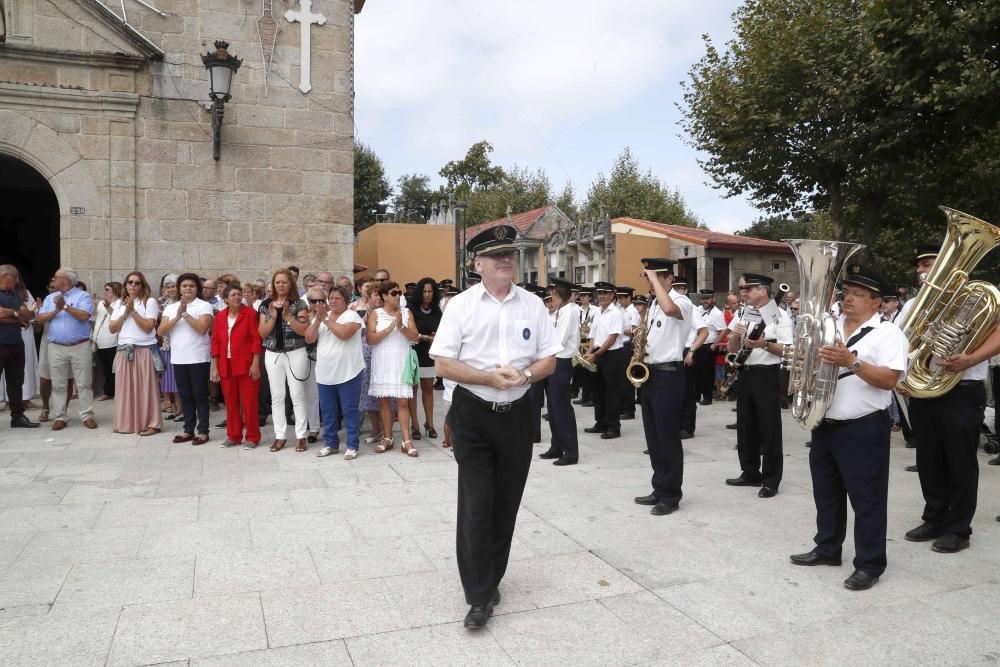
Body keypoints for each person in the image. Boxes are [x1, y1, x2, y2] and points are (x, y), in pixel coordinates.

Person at [430, 224, 559, 629]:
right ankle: (478, 595)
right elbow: (443, 363)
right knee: (476, 505)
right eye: (497, 255)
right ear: (478, 263)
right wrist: (488, 378)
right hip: (473, 413)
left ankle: (491, 577)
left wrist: (522, 378)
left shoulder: (533, 306)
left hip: (518, 413)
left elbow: (548, 360)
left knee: (506, 504)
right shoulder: (461, 306)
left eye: (511, 254)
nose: (507, 260)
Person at [790, 265, 908, 591]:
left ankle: (870, 564)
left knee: (867, 499)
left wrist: (851, 362)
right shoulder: (830, 325)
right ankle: (828, 548)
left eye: (858, 294)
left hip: (863, 427)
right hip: (825, 422)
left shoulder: (888, 334)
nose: (848, 299)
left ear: (877, 302)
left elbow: (889, 380)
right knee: (826, 493)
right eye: (847, 292)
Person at [904, 242, 1000, 553]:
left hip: (961, 388)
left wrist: (971, 359)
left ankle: (959, 528)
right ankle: (934, 517)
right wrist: (900, 379)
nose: (922, 270)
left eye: (929, 264)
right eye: (920, 266)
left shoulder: (974, 299)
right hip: (922, 387)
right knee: (928, 458)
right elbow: (900, 343)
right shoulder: (914, 304)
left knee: (959, 461)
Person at [725, 273, 792, 498]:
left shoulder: (778, 315)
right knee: (746, 427)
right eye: (743, 289)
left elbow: (787, 350)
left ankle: (771, 479)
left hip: (766, 375)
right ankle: (750, 472)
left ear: (763, 291)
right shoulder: (743, 312)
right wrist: (735, 336)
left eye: (749, 289)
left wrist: (763, 344)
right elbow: (732, 349)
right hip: (746, 373)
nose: (744, 292)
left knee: (769, 428)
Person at [632, 259, 691, 514]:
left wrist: (655, 280)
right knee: (653, 436)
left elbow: (671, 311)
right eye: (646, 278)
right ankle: (659, 486)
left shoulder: (681, 302)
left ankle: (671, 495)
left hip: (669, 375)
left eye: (652, 278)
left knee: (667, 437)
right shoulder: (655, 303)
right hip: (651, 374)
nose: (648, 282)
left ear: (668, 278)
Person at [305, 283, 365, 459]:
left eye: (337, 298)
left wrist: (324, 319)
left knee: (349, 410)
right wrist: (317, 319)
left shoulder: (352, 316)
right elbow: (309, 338)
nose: (332, 301)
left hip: (349, 372)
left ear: (346, 300)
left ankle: (352, 445)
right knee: (328, 410)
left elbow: (344, 334)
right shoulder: (323, 316)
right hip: (325, 372)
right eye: (330, 298)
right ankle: (331, 444)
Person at [36, 267, 96, 431]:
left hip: (80, 345)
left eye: (56, 277)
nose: (53, 280)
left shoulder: (83, 296)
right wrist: (56, 309)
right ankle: (60, 416)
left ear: (66, 280)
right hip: (56, 347)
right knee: (58, 384)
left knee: (84, 383)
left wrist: (65, 307)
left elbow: (85, 315)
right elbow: (40, 318)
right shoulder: (50, 298)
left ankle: (87, 415)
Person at [159, 273, 214, 445]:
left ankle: (203, 431)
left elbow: (202, 329)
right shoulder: (170, 307)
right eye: (184, 286)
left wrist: (186, 315)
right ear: (179, 289)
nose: (188, 288)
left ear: (197, 288)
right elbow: (161, 331)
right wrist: (177, 315)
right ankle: (188, 429)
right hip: (179, 357)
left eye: (191, 285)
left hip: (198, 357)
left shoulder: (204, 306)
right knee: (185, 395)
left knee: (200, 395)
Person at [258, 268, 310, 452]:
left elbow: (304, 331)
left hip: (295, 352)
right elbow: (262, 333)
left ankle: (301, 435)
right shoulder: (265, 305)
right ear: (273, 284)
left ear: (291, 284)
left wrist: (287, 316)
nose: (281, 285)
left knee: (297, 394)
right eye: (278, 282)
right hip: (273, 353)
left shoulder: (299, 304)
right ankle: (280, 436)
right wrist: (273, 318)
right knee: (277, 396)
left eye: (284, 282)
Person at [367, 280, 420, 456]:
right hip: (383, 361)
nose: (398, 296)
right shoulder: (376, 314)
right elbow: (370, 340)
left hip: (400, 361)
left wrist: (400, 326)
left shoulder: (406, 313)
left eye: (399, 293)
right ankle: (388, 438)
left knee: (402, 401)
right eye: (394, 293)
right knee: (383, 400)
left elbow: (415, 337)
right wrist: (389, 329)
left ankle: (406, 440)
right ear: (384, 296)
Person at [110, 271, 162, 436]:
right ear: (125, 284)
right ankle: (127, 423)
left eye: (137, 283)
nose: (133, 285)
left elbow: (148, 327)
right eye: (130, 282)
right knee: (125, 390)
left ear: (142, 285)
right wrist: (125, 312)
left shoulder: (149, 302)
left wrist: (133, 311)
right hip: (124, 349)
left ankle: (152, 424)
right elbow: (112, 329)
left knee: (147, 389)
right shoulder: (118, 304)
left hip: (145, 349)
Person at [211, 283, 263, 449]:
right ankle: (233, 436)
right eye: (233, 295)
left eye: (239, 294)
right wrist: (214, 366)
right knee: (231, 402)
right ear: (225, 299)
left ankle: (252, 437)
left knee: (249, 403)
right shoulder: (220, 317)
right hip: (226, 365)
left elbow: (256, 340)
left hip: (246, 364)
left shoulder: (250, 314)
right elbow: (216, 342)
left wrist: (256, 364)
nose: (237, 297)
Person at [538, 276, 580, 465]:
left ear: (558, 294)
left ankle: (571, 451)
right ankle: (557, 446)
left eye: (553, 293)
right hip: (553, 361)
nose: (551, 297)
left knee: (562, 408)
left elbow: (558, 340)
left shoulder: (569, 312)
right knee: (553, 408)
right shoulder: (560, 312)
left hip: (561, 363)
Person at [583, 282, 625, 439]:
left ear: (612, 295)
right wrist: (589, 352)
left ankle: (613, 427)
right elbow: (593, 335)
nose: (602, 296)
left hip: (611, 355)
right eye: (600, 294)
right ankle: (600, 422)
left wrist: (596, 354)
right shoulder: (598, 313)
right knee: (597, 390)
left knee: (611, 392)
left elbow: (612, 338)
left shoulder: (616, 313)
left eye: (606, 293)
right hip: (597, 353)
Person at [0, 265, 38, 428]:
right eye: (14, 278)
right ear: (3, 277)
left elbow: (28, 315)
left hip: (16, 343)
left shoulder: (15, 294)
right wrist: (17, 316)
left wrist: (12, 314)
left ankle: (18, 416)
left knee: (16, 381)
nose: (16, 281)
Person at [410, 277, 442, 439]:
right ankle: (414, 425)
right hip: (414, 354)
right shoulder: (411, 308)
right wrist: (426, 337)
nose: (427, 294)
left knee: (428, 389)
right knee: (413, 391)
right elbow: (412, 333)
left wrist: (438, 335)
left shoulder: (437, 311)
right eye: (424, 291)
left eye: (430, 291)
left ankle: (429, 424)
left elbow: (442, 329)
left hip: (429, 354)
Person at [675, 279, 707, 440]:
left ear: (687, 290)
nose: (679, 291)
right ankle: (677, 424)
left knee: (687, 392)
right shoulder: (671, 307)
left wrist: (691, 351)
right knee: (675, 392)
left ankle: (687, 427)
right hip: (673, 352)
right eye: (676, 288)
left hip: (687, 351)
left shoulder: (692, 309)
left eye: (682, 288)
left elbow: (704, 332)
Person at [91, 282, 122, 401]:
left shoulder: (119, 303)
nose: (105, 291)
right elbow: (96, 317)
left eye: (108, 289)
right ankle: (108, 392)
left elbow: (118, 317)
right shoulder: (100, 303)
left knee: (114, 368)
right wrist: (94, 303)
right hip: (99, 339)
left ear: (115, 290)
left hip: (112, 339)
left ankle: (118, 392)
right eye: (105, 289)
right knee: (105, 369)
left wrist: (109, 307)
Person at [696, 289, 726, 405]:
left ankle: (707, 397)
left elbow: (723, 330)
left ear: (713, 299)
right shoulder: (697, 310)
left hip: (708, 346)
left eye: (707, 299)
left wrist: (715, 344)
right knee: (696, 372)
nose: (705, 301)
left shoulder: (717, 313)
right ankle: (696, 396)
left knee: (707, 373)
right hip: (697, 344)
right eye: (703, 298)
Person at [157, 274, 180, 420]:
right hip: (166, 343)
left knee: (178, 378)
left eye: (173, 286)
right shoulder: (163, 302)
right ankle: (173, 404)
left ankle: (180, 406)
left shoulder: (184, 302)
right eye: (168, 286)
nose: (171, 289)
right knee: (169, 377)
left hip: (180, 343)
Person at [617, 286, 640, 420]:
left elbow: (635, 330)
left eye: (622, 298)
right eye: (619, 298)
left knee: (627, 379)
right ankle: (622, 407)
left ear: (629, 298)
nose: (620, 300)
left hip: (627, 346)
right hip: (620, 345)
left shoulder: (633, 312)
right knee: (620, 379)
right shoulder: (621, 310)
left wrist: (618, 329)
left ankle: (629, 410)